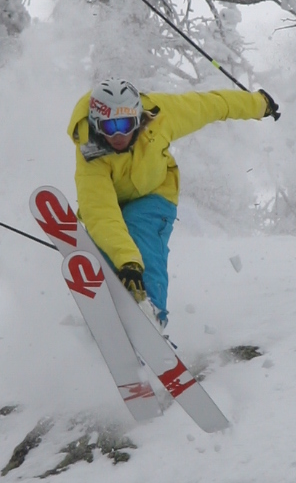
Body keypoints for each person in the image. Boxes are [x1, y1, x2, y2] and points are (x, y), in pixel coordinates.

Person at [69, 74, 278, 325]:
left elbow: (211, 105)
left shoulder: (160, 115)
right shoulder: (90, 152)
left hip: (156, 193)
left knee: (142, 237)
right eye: (110, 127)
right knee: (111, 251)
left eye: (125, 124)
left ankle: (151, 314)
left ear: (138, 117)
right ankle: (111, 313)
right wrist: (127, 262)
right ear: (96, 124)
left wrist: (258, 104)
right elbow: (101, 212)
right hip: (112, 202)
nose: (119, 135)